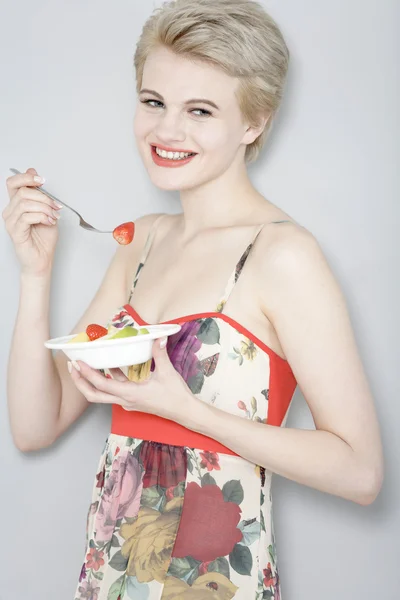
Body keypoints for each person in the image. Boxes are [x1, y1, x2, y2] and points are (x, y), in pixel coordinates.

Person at [3, 0, 383, 598]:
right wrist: (35, 274)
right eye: (153, 102)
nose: (166, 131)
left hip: (210, 581)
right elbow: (34, 425)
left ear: (255, 122)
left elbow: (360, 471)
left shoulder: (283, 255)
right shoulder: (141, 242)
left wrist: (187, 411)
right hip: (112, 574)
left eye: (199, 111)